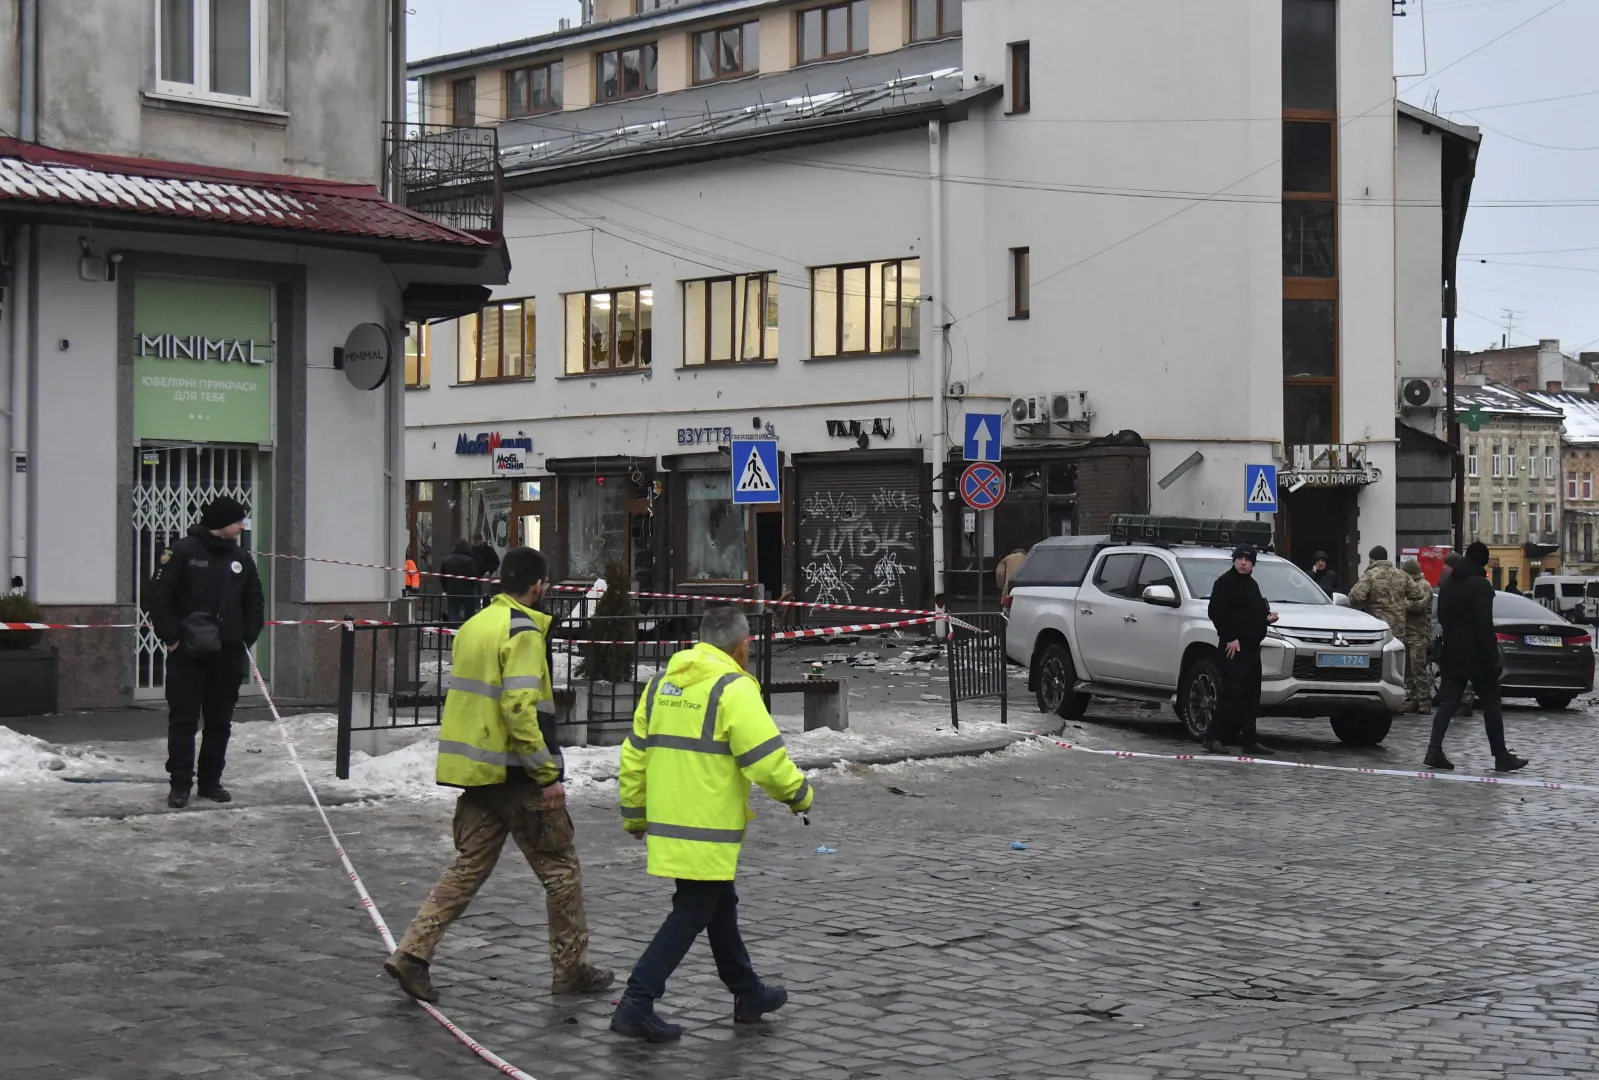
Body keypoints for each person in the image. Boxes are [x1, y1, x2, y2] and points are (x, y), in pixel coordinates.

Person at [384, 547, 612, 1004]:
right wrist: (547, 774)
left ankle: (412, 953)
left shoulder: (474, 626)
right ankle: (570, 969)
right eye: (544, 584)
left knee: (467, 868)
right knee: (561, 870)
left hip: (479, 773)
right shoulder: (523, 630)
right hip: (518, 774)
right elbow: (520, 709)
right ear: (537, 586)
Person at [611, 605, 814, 1042]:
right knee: (693, 911)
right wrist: (798, 795)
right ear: (744, 647)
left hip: (670, 824)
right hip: (707, 828)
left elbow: (634, 755)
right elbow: (765, 760)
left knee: (720, 905)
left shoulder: (661, 684)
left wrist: (634, 811)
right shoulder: (735, 689)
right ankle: (636, 1001)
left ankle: (747, 992)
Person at [145, 497, 265, 810]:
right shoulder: (182, 552)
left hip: (226, 654)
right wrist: (171, 638)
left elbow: (255, 600)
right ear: (222, 522)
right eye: (238, 521)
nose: (242, 526)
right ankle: (180, 785)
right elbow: (159, 597)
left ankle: (210, 782)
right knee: (183, 721)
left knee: (219, 721)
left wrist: (245, 637)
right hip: (188, 652)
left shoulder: (240, 557)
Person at [1425, 541, 1528, 773]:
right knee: (1491, 703)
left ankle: (1434, 750)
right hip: (1478, 655)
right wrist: (1493, 657)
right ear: (1483, 561)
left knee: (1448, 702)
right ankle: (1501, 756)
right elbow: (1484, 625)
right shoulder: (1480, 585)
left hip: (1452, 651)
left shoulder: (1449, 583)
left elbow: (1440, 616)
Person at [1202, 544, 1278, 755]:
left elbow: (1254, 613)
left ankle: (1250, 739)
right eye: (1240, 559)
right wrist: (1230, 638)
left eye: (1247, 559)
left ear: (1253, 563)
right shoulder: (1224, 583)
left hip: (1252, 648)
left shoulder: (1252, 585)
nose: (1243, 563)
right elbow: (1216, 613)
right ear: (1234, 560)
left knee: (1252, 696)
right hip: (1233, 649)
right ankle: (1213, 737)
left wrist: (1267, 618)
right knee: (1231, 694)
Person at [1348, 546, 1427, 643]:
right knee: (1396, 655)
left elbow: (1355, 596)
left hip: (1378, 628)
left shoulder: (1370, 575)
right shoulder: (1402, 574)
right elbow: (1419, 593)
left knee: (1380, 656)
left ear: (1372, 559)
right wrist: (1400, 601)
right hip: (1398, 628)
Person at [1401, 559, 1435, 714]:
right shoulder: (1408, 585)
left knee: (1418, 668)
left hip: (1419, 633)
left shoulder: (1424, 585)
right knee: (1408, 670)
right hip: (1406, 632)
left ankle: (1424, 701)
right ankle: (1413, 699)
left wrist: (1400, 602)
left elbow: (1418, 606)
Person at [440, 538, 480, 623]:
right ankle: (469, 633)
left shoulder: (447, 561)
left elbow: (442, 577)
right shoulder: (469, 561)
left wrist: (446, 589)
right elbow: (475, 576)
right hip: (468, 592)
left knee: (453, 613)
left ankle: (452, 633)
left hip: (452, 591)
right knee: (469, 614)